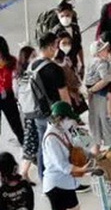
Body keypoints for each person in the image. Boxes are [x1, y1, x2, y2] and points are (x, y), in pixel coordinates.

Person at [32, 32, 69, 181]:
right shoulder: (55, 69)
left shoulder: (32, 65)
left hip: (37, 113)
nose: (57, 49)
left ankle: (43, 177)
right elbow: (64, 97)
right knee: (62, 145)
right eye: (55, 45)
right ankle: (67, 177)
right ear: (49, 47)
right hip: (55, 114)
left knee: (43, 146)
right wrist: (71, 115)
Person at [42, 101, 91, 210]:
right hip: (56, 185)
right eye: (69, 119)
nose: (71, 121)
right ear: (60, 119)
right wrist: (82, 169)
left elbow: (76, 146)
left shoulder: (62, 130)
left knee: (76, 208)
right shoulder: (51, 138)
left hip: (67, 182)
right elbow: (61, 165)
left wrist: (91, 154)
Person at [84, 40, 111, 153]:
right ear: (98, 53)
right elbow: (106, 79)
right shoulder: (103, 63)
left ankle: (96, 153)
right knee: (108, 123)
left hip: (94, 99)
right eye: (104, 50)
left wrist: (90, 90)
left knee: (95, 124)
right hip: (103, 96)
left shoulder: (91, 63)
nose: (107, 51)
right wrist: (92, 90)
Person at [15, 46, 37, 184]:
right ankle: (23, 173)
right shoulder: (30, 75)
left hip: (26, 112)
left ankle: (24, 173)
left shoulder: (19, 76)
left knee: (30, 143)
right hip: (33, 113)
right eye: (33, 56)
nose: (35, 58)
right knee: (31, 143)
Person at [54, 32, 86, 116]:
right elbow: (61, 80)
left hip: (73, 90)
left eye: (69, 43)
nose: (67, 45)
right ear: (58, 44)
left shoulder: (68, 58)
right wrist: (71, 92)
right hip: (66, 93)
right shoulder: (57, 61)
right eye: (64, 43)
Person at [0, 36, 24, 148]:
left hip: (8, 96)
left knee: (16, 124)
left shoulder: (11, 61)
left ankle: (26, 147)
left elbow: (18, 76)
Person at [51, 3, 84, 77]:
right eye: (62, 16)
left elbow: (79, 46)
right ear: (58, 16)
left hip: (73, 62)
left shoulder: (75, 28)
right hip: (60, 64)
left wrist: (82, 63)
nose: (65, 18)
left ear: (72, 14)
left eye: (68, 15)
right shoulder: (55, 31)